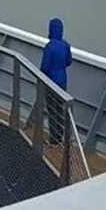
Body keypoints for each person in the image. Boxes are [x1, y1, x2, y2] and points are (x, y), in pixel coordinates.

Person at [39, 17, 72, 146]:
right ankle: (60, 136)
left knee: (52, 110)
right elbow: (69, 62)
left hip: (51, 82)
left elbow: (45, 67)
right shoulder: (65, 45)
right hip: (62, 81)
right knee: (60, 109)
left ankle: (53, 139)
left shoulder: (50, 47)